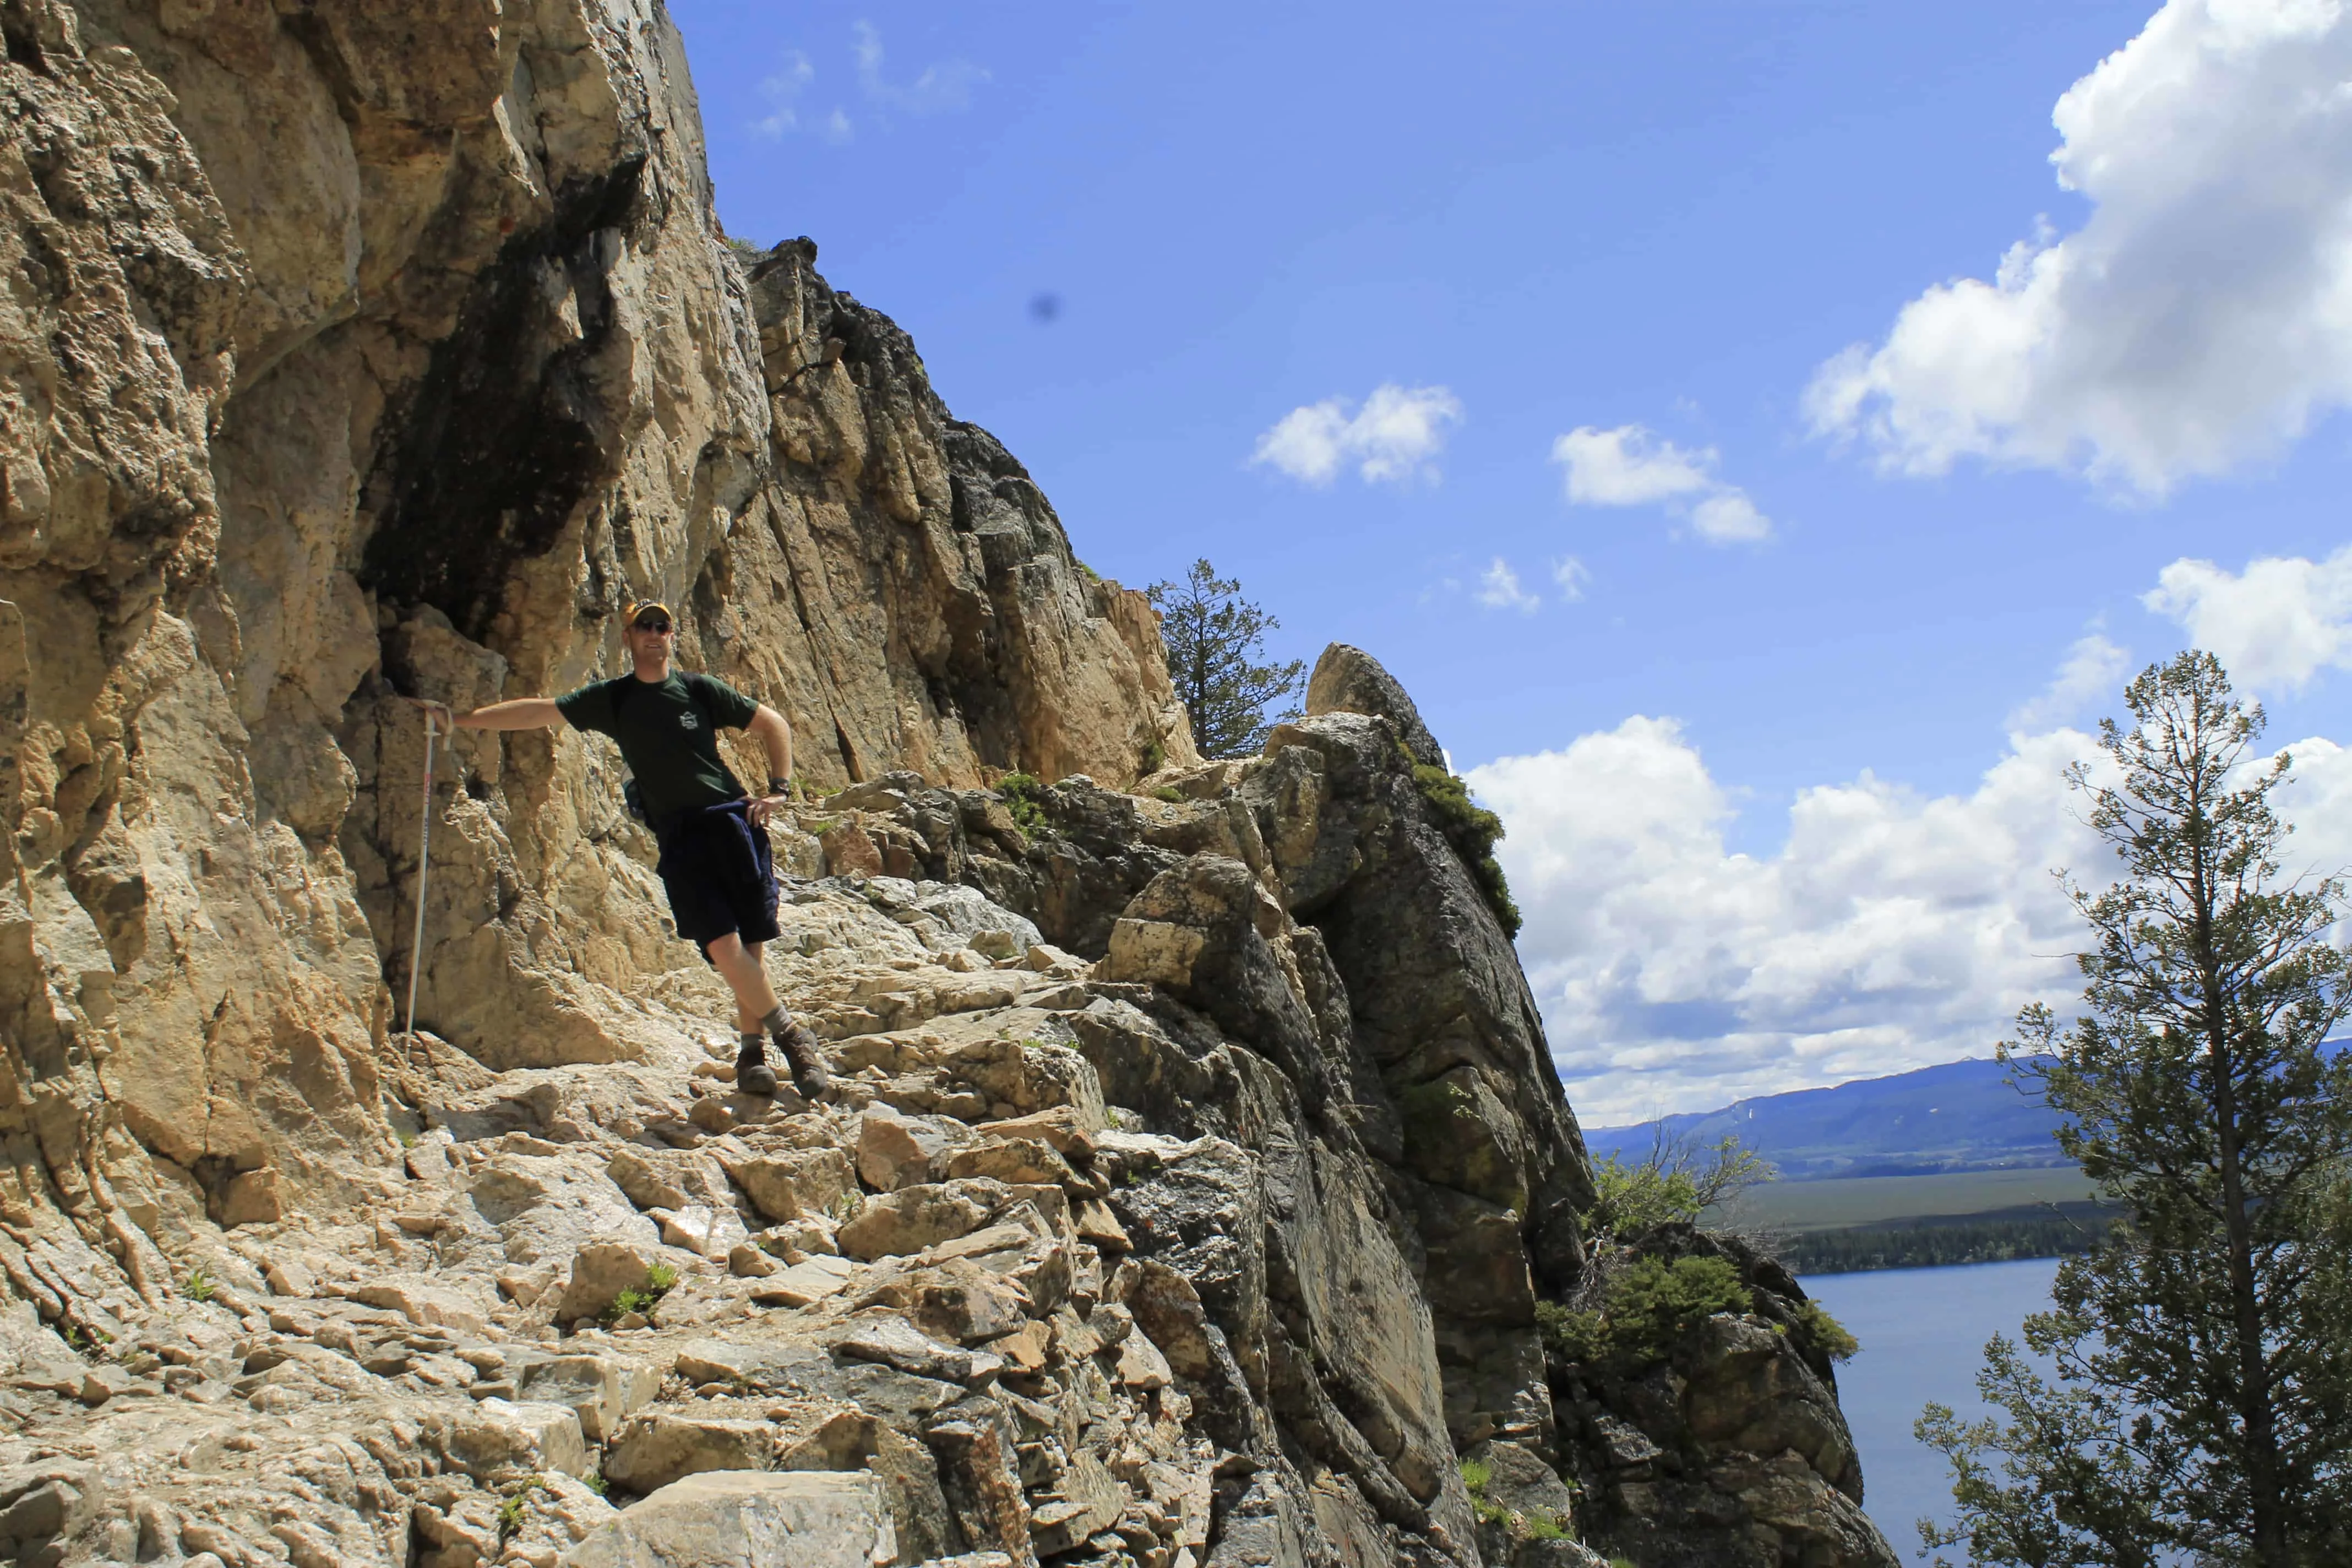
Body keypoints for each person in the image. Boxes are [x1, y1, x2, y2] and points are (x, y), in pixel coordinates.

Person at [423, 599, 831, 1099]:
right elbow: (540, 712)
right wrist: (459, 721)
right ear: (629, 638)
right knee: (721, 946)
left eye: (661, 626)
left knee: (749, 946)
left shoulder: (698, 690)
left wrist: (780, 789)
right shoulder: (614, 699)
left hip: (732, 822)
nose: (654, 634)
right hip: (680, 834)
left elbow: (774, 725)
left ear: (672, 634)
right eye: (644, 627)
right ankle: (793, 1036)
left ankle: (752, 1056)